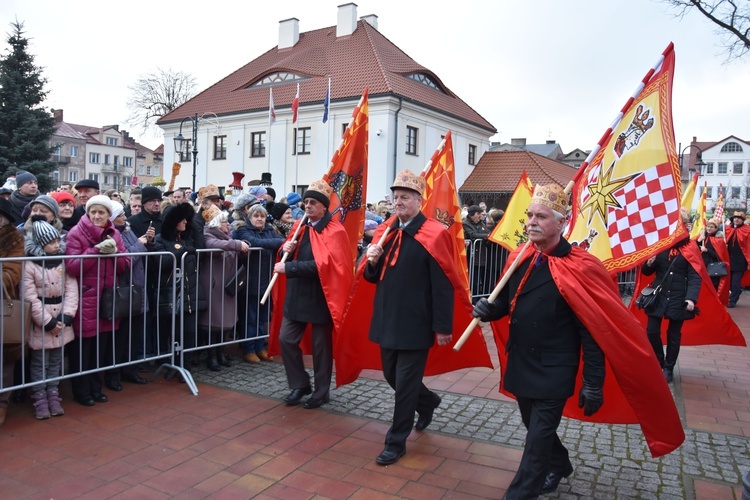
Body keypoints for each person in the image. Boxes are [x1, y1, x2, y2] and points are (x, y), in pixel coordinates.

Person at [472, 184, 605, 498]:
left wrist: (594, 381)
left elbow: (593, 329)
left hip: (554, 368)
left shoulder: (580, 267)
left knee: (535, 442)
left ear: (561, 223)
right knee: (535, 430)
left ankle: (520, 493)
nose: (531, 221)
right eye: (529, 215)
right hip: (522, 362)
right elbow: (505, 303)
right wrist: (488, 309)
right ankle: (559, 463)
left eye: (541, 216)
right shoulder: (521, 258)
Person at [363, 169, 454, 466]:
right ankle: (428, 402)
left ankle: (396, 442)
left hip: (417, 321)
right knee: (391, 375)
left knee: (404, 384)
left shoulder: (435, 233)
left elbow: (443, 282)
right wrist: (371, 261)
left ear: (419, 200)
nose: (398, 202)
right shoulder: (386, 230)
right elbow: (371, 277)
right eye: (395, 197)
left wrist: (442, 325)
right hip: (387, 316)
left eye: (405, 197)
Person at [272, 180, 353, 409]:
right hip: (297, 294)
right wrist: (284, 249)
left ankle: (321, 392)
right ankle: (300, 384)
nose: (307, 206)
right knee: (286, 339)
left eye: (313, 202)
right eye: (306, 201)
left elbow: (325, 266)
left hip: (321, 295)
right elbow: (284, 253)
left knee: (321, 349)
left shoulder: (334, 230)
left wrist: (290, 268)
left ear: (324, 207)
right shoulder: (300, 225)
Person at [65, 195, 129, 406]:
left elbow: (125, 265)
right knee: (82, 349)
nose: (96, 216)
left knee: (100, 349)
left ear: (109, 215)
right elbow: (73, 266)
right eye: (93, 212)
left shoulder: (114, 234)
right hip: (86, 297)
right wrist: (96, 251)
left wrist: (114, 255)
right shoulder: (76, 232)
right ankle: (81, 391)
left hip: (107, 299)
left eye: (101, 212)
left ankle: (95, 387)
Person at [23, 220, 78, 419]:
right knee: (40, 362)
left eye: (58, 240)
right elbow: (29, 296)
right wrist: (47, 321)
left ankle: (53, 394)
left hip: (62, 316)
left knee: (56, 360)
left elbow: (72, 289)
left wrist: (67, 315)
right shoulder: (29, 265)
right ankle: (39, 396)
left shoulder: (62, 260)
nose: (57, 245)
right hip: (42, 321)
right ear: (40, 244)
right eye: (52, 242)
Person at [640, 235, 701, 383]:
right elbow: (647, 272)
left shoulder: (691, 248)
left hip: (679, 297)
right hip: (658, 296)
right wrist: (649, 263)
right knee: (652, 331)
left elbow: (694, 276)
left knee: (673, 335)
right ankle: (660, 361)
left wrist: (690, 298)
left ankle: (669, 367)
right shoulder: (660, 246)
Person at [198, 205, 249, 370]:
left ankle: (221, 353)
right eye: (225, 222)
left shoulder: (228, 237)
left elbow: (237, 247)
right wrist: (237, 244)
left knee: (225, 323)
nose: (229, 225)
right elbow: (213, 244)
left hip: (228, 286)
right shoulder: (207, 235)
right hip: (214, 286)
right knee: (212, 324)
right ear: (217, 224)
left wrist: (243, 246)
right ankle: (211, 356)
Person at [235, 204, 284, 363]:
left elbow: (281, 242)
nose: (259, 219)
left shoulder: (270, 230)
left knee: (262, 317)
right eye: (256, 216)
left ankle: (260, 346)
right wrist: (273, 243)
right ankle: (248, 349)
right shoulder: (243, 230)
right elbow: (252, 242)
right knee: (250, 317)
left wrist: (273, 242)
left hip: (266, 281)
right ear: (249, 218)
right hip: (250, 281)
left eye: (262, 216)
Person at [109, 201, 149, 387]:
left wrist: (146, 240)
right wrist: (141, 244)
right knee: (121, 336)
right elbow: (123, 259)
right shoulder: (112, 234)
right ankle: (114, 373)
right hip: (123, 290)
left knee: (133, 334)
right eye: (120, 216)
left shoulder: (126, 230)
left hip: (136, 288)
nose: (125, 218)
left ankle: (130, 369)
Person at [0, 197, 24, 426]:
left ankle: (2, 403)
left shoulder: (14, 239)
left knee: (4, 359)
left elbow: (11, 273)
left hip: (3, 304)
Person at [697, 217, 730, 304]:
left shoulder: (719, 240)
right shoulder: (702, 237)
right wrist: (698, 241)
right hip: (702, 265)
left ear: (716, 228)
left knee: (713, 285)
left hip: (713, 267)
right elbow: (693, 249)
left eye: (712, 227)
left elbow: (719, 256)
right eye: (708, 226)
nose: (709, 228)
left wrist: (707, 250)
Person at [463, 204, 491, 301]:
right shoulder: (465, 223)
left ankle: (482, 298)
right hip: (472, 257)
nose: (480, 215)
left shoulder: (480, 223)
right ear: (472, 214)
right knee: (474, 281)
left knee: (483, 279)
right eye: (478, 213)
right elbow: (472, 235)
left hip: (482, 257)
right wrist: (487, 236)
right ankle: (474, 300)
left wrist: (486, 235)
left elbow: (486, 231)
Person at [725, 210, 750, 308]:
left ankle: (732, 300)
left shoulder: (747, 230)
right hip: (728, 259)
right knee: (729, 281)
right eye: (735, 218)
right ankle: (734, 293)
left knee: (735, 281)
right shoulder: (726, 229)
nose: (736, 219)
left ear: (742, 220)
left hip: (740, 260)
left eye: (739, 218)